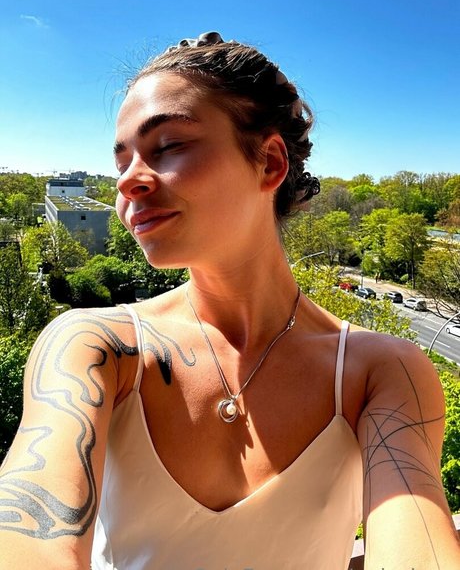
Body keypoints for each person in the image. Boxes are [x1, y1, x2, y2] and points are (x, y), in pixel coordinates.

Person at [0, 32, 459, 570]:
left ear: (269, 163)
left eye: (168, 146)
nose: (127, 184)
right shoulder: (94, 347)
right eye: (122, 163)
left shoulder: (381, 373)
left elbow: (418, 540)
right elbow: (29, 527)